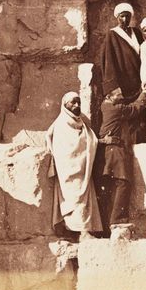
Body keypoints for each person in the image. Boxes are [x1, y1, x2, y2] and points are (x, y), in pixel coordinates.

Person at [93, 87, 146, 239]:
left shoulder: (106, 106)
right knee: (123, 181)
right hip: (114, 152)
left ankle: (103, 227)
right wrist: (145, 93)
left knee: (106, 188)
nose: (122, 97)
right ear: (110, 96)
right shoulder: (115, 109)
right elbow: (135, 108)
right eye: (119, 95)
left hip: (106, 152)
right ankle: (117, 220)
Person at [45, 92, 103, 240]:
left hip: (83, 167)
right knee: (72, 198)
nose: (77, 105)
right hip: (69, 169)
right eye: (73, 103)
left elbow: (91, 139)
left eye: (78, 102)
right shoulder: (61, 124)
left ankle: (84, 230)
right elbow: (62, 149)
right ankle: (79, 231)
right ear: (65, 105)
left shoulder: (81, 123)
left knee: (84, 197)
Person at [98, 2, 146, 143]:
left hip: (138, 80)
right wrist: (113, 87)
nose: (125, 20)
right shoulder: (112, 35)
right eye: (122, 16)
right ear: (117, 17)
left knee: (140, 117)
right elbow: (108, 61)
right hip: (123, 84)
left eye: (128, 16)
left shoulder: (137, 33)